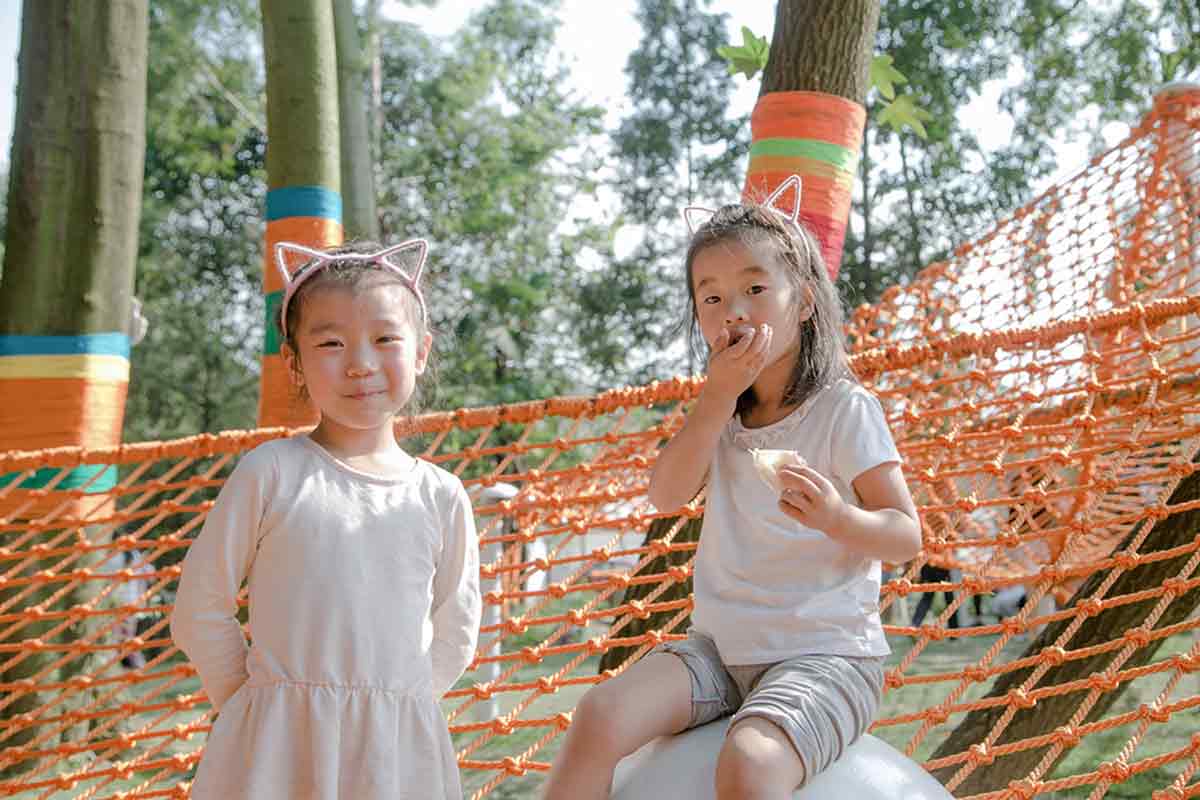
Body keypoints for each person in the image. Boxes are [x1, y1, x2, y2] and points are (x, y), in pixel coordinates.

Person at [542, 177, 922, 800]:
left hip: (828, 657)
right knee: (599, 716)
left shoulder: (844, 408)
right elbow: (666, 495)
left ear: (804, 301)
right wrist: (715, 397)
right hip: (719, 653)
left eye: (754, 289)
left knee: (749, 763)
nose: (734, 311)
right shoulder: (720, 414)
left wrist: (837, 517)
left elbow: (906, 536)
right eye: (712, 297)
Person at [171, 239, 481, 800]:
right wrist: (256, 706)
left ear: (421, 351)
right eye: (331, 343)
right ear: (294, 361)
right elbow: (200, 606)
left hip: (395, 762)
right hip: (273, 752)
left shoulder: (441, 495)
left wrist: (396, 710)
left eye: (385, 339)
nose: (360, 363)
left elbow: (457, 629)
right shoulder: (272, 472)